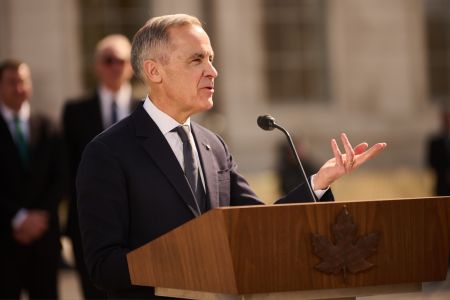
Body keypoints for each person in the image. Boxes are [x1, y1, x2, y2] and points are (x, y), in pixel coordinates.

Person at [76, 14, 387, 299]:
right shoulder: (107, 153)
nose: (213, 70)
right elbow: (104, 267)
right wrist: (187, 259)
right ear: (155, 71)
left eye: (211, 59)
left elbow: (260, 226)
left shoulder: (214, 146)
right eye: (197, 59)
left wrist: (319, 181)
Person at [62, 34, 140, 299]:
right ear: (97, 65)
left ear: (131, 66)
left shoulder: (148, 110)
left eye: (121, 60)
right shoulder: (75, 112)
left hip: (139, 226)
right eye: (109, 60)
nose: (115, 66)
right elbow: (67, 169)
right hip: (89, 227)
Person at [0, 59, 65, 299]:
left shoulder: (48, 126)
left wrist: (38, 219)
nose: (19, 88)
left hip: (44, 242)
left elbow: (61, 178)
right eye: (11, 82)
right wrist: (17, 219)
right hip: (5, 243)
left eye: (23, 82)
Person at [427, 107, 450, 196]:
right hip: (442, 185)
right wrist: (446, 173)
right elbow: (431, 162)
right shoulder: (435, 141)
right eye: (446, 118)